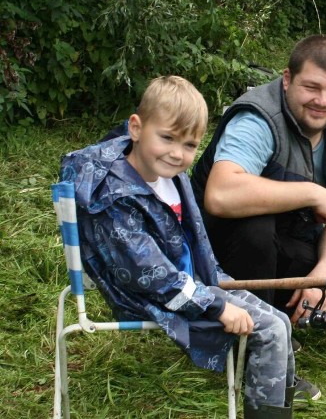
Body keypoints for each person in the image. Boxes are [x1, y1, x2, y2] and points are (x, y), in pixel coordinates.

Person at [59, 76, 307, 419]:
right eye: (167, 138)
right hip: (150, 295)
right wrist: (217, 307)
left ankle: (280, 399)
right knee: (269, 330)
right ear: (136, 127)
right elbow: (149, 276)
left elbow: (193, 242)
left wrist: (216, 279)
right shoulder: (113, 197)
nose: (177, 153)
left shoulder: (170, 175)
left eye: (190, 145)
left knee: (279, 320)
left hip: (191, 284)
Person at [191, 35, 326, 324]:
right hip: (221, 254)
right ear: (287, 79)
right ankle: (260, 329)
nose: (322, 101)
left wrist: (323, 275)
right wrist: (311, 193)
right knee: (255, 227)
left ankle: (283, 306)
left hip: (290, 244)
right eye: (311, 87)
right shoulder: (258, 119)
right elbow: (220, 196)